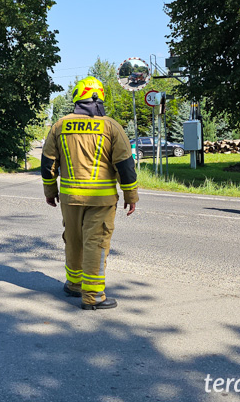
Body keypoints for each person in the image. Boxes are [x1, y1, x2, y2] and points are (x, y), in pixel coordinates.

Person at [42, 77, 139, 310]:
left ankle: (75, 285)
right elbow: (125, 165)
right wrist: (131, 196)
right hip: (101, 199)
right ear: (100, 97)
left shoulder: (60, 125)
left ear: (77, 96)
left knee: (73, 240)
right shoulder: (110, 126)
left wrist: (50, 191)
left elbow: (47, 163)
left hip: (69, 198)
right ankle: (93, 296)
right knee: (96, 243)